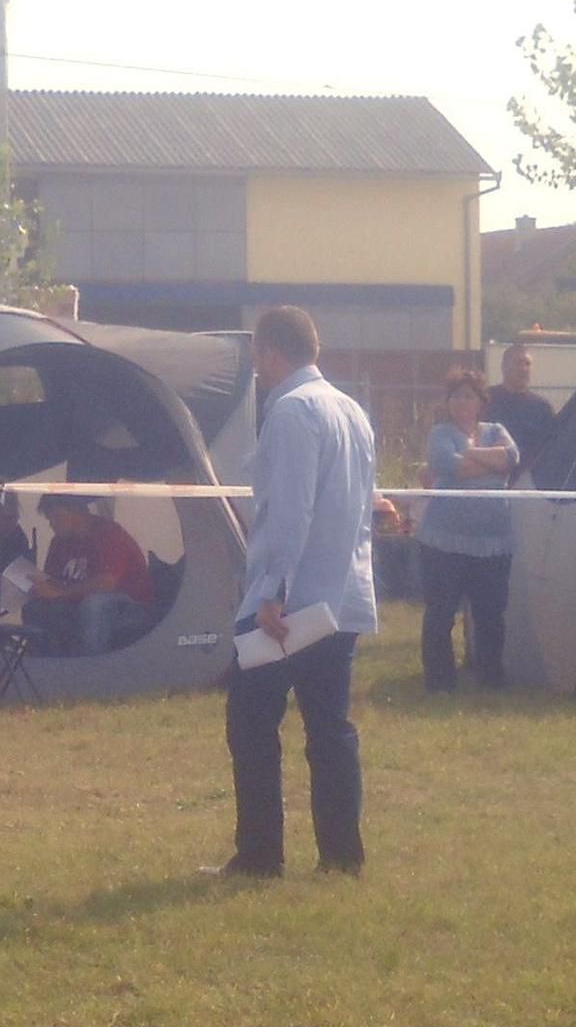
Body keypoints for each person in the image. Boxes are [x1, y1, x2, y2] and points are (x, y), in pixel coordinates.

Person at [209, 306, 375, 879]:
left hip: (291, 603)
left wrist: (272, 592)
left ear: (269, 353)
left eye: (257, 354)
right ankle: (341, 855)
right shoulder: (351, 410)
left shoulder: (291, 411)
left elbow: (288, 509)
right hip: (341, 597)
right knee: (330, 728)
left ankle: (260, 854)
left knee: (251, 725)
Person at [415, 367, 518, 692]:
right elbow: (450, 465)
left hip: (493, 543)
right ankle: (440, 682)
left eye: (469, 396)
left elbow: (511, 458)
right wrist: (489, 462)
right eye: (456, 396)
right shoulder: (440, 434)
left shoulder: (496, 429)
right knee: (441, 615)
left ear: (480, 401)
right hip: (444, 543)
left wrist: (471, 454)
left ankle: (491, 678)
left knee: (490, 615)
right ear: (448, 402)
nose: (462, 402)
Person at [20, 494, 151, 656]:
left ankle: (89, 670)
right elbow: (53, 582)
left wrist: (59, 592)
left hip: (128, 608)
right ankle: (51, 665)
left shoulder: (109, 533)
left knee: (95, 603)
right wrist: (41, 589)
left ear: (76, 511)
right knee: (35, 608)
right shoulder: (59, 543)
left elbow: (107, 583)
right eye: (49, 519)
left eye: (56, 517)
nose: (52, 524)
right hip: (77, 605)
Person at [483, 342, 554, 466]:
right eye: (518, 363)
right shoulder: (485, 399)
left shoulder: (542, 407)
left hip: (528, 478)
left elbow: (550, 447)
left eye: (527, 364)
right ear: (504, 366)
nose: (524, 369)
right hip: (489, 474)